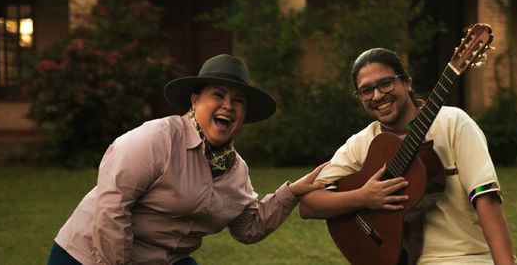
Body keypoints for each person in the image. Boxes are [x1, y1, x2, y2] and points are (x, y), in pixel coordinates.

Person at [47, 54, 327, 265]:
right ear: (194, 101)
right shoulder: (156, 140)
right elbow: (111, 209)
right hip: (89, 257)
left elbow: (248, 228)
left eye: (238, 100)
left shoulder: (235, 170)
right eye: (218, 95)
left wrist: (291, 193)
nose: (228, 105)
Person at [299, 48, 516, 264]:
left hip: (467, 258)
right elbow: (309, 204)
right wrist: (364, 197)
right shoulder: (361, 143)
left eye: (385, 83)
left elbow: (485, 197)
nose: (377, 95)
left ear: (407, 83)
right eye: (366, 91)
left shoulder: (453, 123)